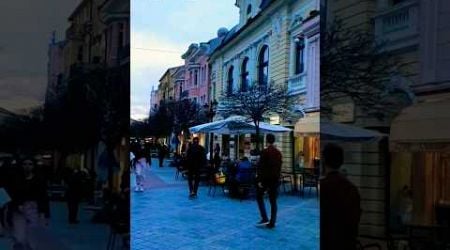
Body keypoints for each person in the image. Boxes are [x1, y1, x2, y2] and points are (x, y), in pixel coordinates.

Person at [320, 143, 361, 250]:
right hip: (347, 243)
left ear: (324, 160)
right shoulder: (351, 188)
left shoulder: (324, 187)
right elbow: (356, 217)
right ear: (341, 161)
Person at [255, 134, 282, 229]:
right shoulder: (278, 153)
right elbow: (279, 167)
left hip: (266, 179)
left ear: (266, 140)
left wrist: (260, 180)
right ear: (274, 141)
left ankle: (264, 217)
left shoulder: (265, 152)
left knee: (259, 196)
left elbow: (261, 167)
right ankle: (272, 222)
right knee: (273, 201)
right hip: (275, 179)